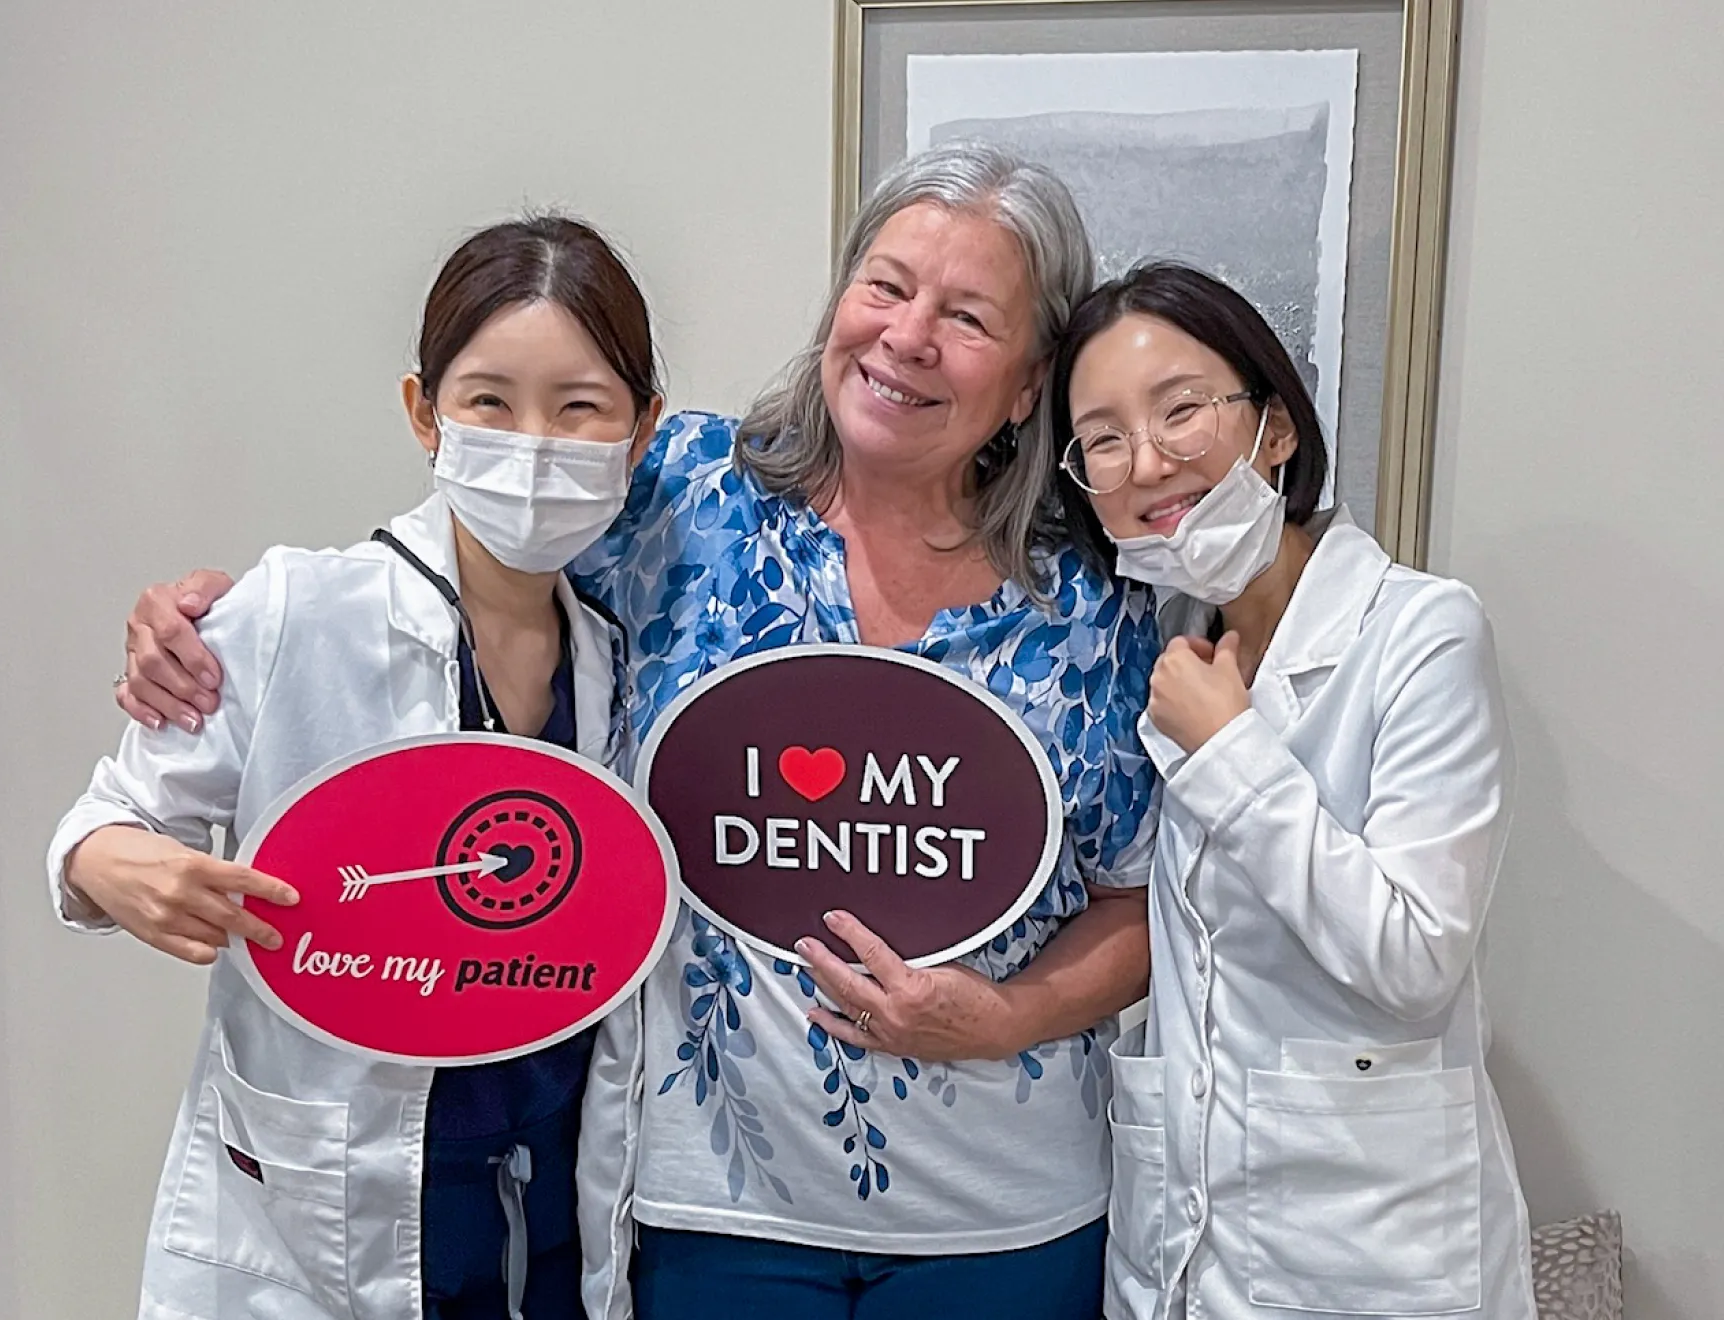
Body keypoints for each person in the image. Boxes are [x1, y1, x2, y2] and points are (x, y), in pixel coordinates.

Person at [115, 143, 1162, 1320]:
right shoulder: (682, 495)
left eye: (967, 316)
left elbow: (1136, 898)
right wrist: (217, 616)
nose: (906, 336)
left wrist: (1007, 1018)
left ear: (1029, 383)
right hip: (714, 1208)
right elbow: (470, 554)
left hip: (1005, 1215)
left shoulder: (1091, 605)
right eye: (884, 284)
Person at [49, 213, 664, 1320]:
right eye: (488, 401)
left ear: (640, 427)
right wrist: (119, 866)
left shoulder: (616, 656)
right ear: (421, 414)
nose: (532, 442)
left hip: (551, 1190)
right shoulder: (293, 611)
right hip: (320, 1204)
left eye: (579, 409)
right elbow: (110, 820)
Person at [1048, 261, 1535, 1318]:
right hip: (1177, 1240)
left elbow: (1411, 958)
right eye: (1101, 438)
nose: (1147, 461)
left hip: (1373, 1249)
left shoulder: (1418, 633)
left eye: (1180, 411)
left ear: (1273, 429)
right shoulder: (1164, 648)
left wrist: (1229, 753)